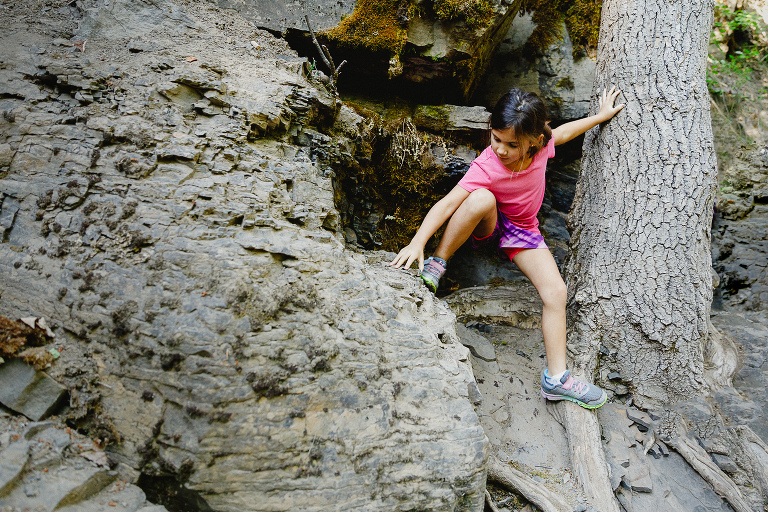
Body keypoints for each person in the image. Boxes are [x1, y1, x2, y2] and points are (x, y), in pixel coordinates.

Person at [388, 86, 625, 409]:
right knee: (480, 197)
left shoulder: (543, 148)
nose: (500, 149)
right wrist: (417, 243)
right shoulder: (486, 165)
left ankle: (556, 379)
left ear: (535, 142)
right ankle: (438, 263)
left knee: (556, 293)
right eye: (496, 139)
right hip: (488, 221)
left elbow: (565, 133)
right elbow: (447, 205)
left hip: (522, 233)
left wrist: (600, 117)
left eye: (511, 145)